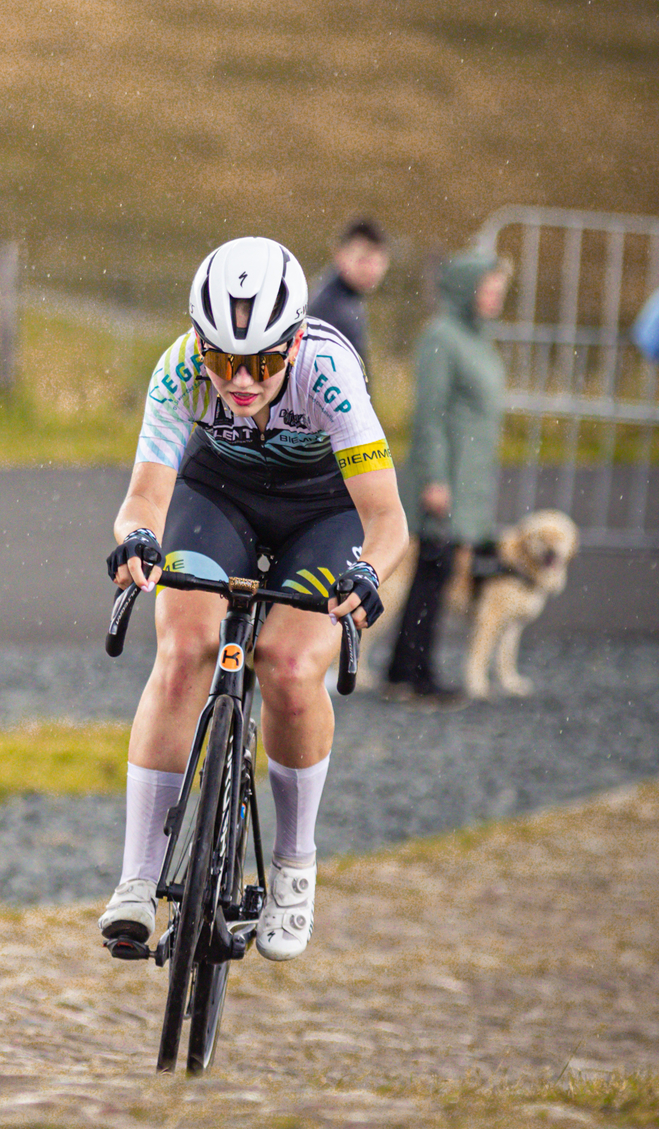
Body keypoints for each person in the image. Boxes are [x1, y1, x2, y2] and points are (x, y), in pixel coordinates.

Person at [100, 236, 408, 964]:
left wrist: (369, 576)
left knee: (291, 667)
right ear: (199, 344)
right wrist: (136, 541)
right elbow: (144, 497)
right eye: (222, 359)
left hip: (322, 513)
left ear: (294, 343)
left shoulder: (329, 372)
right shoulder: (179, 370)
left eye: (265, 363)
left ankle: (294, 867)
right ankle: (138, 879)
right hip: (221, 498)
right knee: (181, 650)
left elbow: (389, 522)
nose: (240, 380)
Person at [383, 249, 510, 702]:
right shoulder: (441, 336)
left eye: (498, 289)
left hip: (468, 478)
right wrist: (435, 479)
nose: (495, 297)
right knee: (431, 576)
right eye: (488, 288)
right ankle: (417, 675)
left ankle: (403, 670)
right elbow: (430, 415)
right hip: (446, 478)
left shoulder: (477, 338)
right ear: (465, 289)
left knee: (433, 575)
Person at [307, 216, 391, 370]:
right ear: (340, 255)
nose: (371, 270)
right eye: (363, 259)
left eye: (378, 261)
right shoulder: (331, 307)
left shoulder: (348, 299)